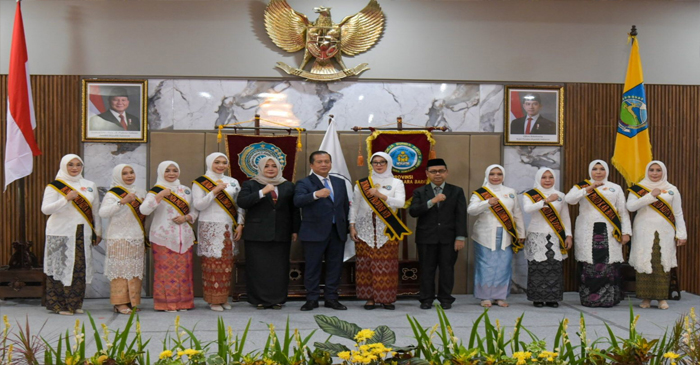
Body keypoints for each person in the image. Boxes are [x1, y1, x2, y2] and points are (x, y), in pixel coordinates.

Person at [565, 159, 631, 308]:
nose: (598, 172)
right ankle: (590, 299)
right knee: (589, 264)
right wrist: (588, 189)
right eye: (595, 169)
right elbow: (569, 200)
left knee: (608, 265)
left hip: (609, 231)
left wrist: (626, 232)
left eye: (602, 169)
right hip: (588, 231)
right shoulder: (581, 186)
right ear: (590, 171)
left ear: (606, 171)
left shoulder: (615, 188)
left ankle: (608, 299)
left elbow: (623, 212)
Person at [41, 154, 102, 315]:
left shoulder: (89, 185)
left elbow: (95, 211)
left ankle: (75, 304)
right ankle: (59, 305)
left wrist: (98, 232)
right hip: (60, 232)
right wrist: (65, 199)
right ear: (64, 166)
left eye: (78, 164)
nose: (74, 168)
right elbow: (45, 209)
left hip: (82, 232)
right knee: (60, 267)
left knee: (79, 268)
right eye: (71, 165)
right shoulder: (55, 186)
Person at [238, 156, 300, 309]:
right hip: (256, 234)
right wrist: (262, 192)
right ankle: (258, 299)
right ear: (260, 168)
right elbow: (242, 202)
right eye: (267, 166)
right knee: (257, 268)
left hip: (281, 232)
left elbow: (294, 210)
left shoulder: (288, 185)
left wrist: (295, 230)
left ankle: (277, 299)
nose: (271, 169)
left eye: (274, 166)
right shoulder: (251, 184)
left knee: (278, 268)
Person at [350, 152, 409, 311]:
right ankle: (369, 298)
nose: (379, 164)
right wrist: (352, 225)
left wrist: (381, 196)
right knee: (365, 265)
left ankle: (386, 299)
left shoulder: (397, 182)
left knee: (387, 265)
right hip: (364, 230)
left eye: (382, 162)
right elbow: (354, 206)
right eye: (375, 162)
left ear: (388, 163)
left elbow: (401, 203)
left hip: (387, 231)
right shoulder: (362, 184)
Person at [294, 151, 350, 311]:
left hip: (336, 231)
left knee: (335, 266)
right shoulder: (304, 183)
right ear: (312, 165)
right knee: (313, 267)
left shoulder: (339, 182)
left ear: (331, 164)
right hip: (314, 232)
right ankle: (312, 299)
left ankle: (331, 298)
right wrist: (315, 195)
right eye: (319, 162)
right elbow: (297, 201)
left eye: (327, 161)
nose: (324, 164)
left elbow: (344, 206)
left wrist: (346, 227)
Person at [627, 161, 687, 310]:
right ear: (647, 171)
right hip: (644, 230)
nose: (654, 173)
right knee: (644, 261)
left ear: (663, 172)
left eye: (658, 170)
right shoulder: (638, 188)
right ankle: (645, 298)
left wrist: (681, 234)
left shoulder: (672, 189)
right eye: (652, 170)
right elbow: (630, 206)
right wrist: (650, 196)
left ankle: (661, 299)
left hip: (665, 232)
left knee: (662, 263)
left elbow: (678, 213)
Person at [409, 158, 467, 310]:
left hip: (449, 238)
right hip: (426, 238)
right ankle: (426, 299)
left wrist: (460, 237)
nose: (438, 174)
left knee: (447, 269)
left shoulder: (456, 191)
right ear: (427, 173)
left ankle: (445, 298)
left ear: (447, 173)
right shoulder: (420, 191)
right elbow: (413, 212)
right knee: (427, 269)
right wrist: (432, 201)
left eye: (441, 171)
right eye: (433, 171)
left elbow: (461, 216)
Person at [140, 161, 197, 312]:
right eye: (167, 171)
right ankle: (166, 304)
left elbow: (194, 211)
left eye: (174, 170)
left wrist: (186, 218)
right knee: (165, 271)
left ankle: (184, 303)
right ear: (161, 172)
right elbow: (144, 210)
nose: (171, 173)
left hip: (184, 237)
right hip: (163, 236)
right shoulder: (155, 191)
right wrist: (159, 196)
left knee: (184, 271)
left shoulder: (185, 190)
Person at [467, 164, 525, 308]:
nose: (496, 177)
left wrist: (521, 233)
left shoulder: (511, 192)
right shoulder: (481, 193)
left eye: (499, 174)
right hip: (484, 235)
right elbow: (471, 210)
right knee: (486, 265)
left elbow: (517, 213)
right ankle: (485, 297)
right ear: (487, 175)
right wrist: (487, 203)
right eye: (492, 174)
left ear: (503, 176)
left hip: (507, 234)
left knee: (503, 265)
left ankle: (499, 296)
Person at [192, 153, 243, 312]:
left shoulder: (233, 182)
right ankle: (213, 300)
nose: (221, 165)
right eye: (217, 162)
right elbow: (199, 205)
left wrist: (240, 223)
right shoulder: (200, 182)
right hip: (210, 227)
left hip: (229, 227)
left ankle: (223, 298)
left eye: (224, 162)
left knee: (227, 264)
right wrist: (214, 191)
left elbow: (239, 205)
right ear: (209, 163)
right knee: (212, 264)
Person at [99, 164, 147, 315]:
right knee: (120, 270)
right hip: (118, 237)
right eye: (125, 173)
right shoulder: (113, 193)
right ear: (118, 176)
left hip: (136, 236)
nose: (129, 175)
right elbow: (103, 213)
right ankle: (119, 303)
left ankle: (133, 302)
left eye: (131, 172)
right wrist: (122, 202)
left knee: (134, 270)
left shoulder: (140, 191)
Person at [522, 168, 572, 308]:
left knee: (554, 266)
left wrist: (569, 235)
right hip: (536, 234)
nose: (548, 180)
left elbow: (565, 217)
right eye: (544, 177)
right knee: (537, 266)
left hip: (555, 235)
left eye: (550, 177)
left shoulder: (561, 195)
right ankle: (537, 298)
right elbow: (528, 209)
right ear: (539, 178)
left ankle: (552, 297)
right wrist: (546, 201)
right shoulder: (530, 194)